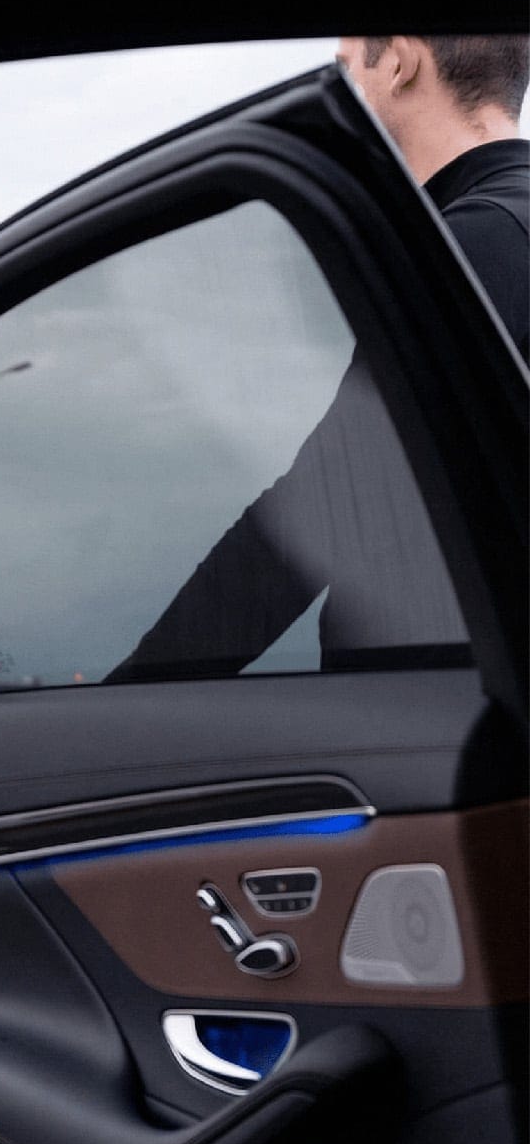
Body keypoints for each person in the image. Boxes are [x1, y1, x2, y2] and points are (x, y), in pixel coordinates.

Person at [106, 35, 528, 682]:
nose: (341, 96)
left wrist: (138, 689)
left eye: (344, 69)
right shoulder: (499, 230)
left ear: (398, 61)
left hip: (437, 727)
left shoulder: (468, 248)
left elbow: (320, 510)